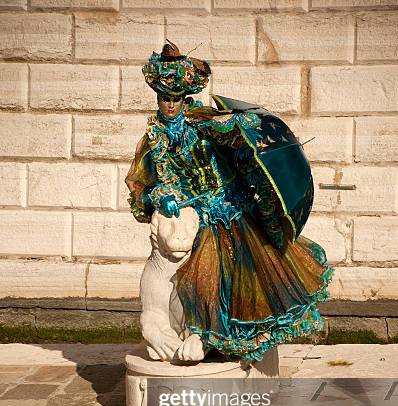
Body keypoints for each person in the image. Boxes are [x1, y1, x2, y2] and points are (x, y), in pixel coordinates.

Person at [125, 41, 334, 362]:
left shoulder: (203, 122)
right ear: (157, 97)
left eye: (176, 98)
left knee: (220, 268)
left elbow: (235, 145)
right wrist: (157, 195)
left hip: (224, 209)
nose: (170, 105)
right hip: (185, 215)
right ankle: (173, 328)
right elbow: (142, 190)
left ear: (185, 97)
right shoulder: (153, 140)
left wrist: (237, 131)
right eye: (164, 98)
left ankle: (211, 336)